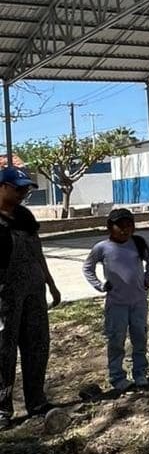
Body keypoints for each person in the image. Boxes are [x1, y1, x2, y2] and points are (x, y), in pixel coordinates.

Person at [0, 167, 61, 429]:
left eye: (27, 189)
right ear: (2, 187)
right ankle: (3, 409)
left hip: (34, 289)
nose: (24, 193)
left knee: (37, 345)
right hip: (4, 295)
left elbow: (38, 250)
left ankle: (36, 400)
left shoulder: (25, 216)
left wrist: (50, 282)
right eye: (19, 188)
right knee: (3, 350)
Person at [81, 208, 149, 392]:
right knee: (116, 340)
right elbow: (87, 268)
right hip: (116, 304)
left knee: (140, 337)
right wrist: (100, 285)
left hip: (138, 301)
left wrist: (148, 280)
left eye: (129, 225)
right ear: (110, 227)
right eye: (120, 226)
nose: (125, 230)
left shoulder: (138, 243)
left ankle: (140, 373)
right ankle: (117, 377)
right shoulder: (102, 248)